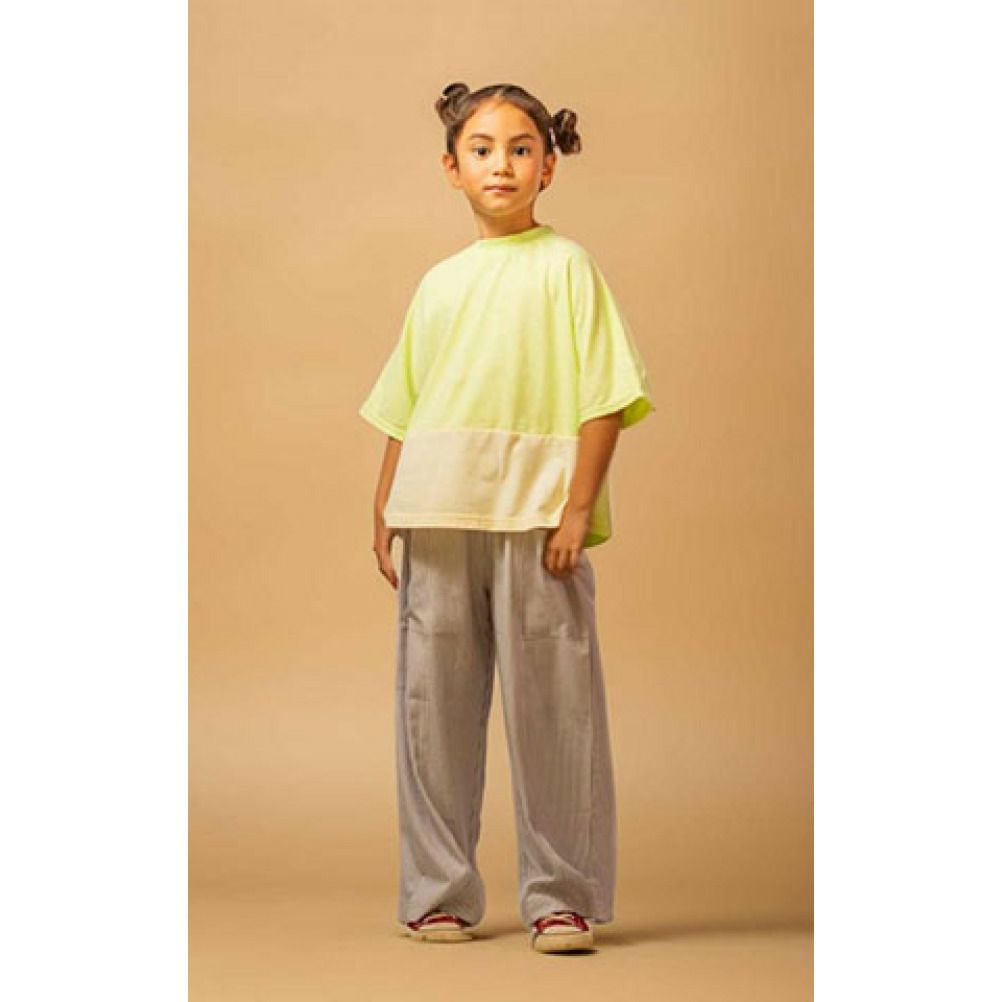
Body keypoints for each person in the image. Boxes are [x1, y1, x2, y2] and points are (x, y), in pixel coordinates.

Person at [359, 81, 656, 954]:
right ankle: (438, 892)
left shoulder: (568, 268)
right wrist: (384, 505)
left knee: (556, 711)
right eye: (482, 149)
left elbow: (606, 396)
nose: (502, 165)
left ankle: (560, 897)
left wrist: (576, 508)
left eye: (521, 148)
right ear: (452, 168)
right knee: (432, 712)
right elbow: (406, 405)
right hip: (437, 513)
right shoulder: (439, 283)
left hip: (536, 520)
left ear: (549, 166)